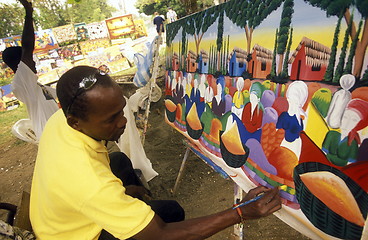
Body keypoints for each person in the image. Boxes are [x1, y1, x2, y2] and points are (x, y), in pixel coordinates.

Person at [30, 65, 282, 240]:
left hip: (59, 221)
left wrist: (123, 192)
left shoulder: (60, 121)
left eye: (122, 110)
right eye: (111, 119)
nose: (123, 122)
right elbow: (160, 234)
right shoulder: (90, 181)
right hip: (78, 236)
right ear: (75, 122)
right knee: (170, 213)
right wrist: (241, 213)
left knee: (118, 160)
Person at [1, 0, 59, 142]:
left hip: (59, 132)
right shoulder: (21, 82)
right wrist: (28, 12)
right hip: (51, 137)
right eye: (29, 59)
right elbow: (27, 46)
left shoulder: (36, 86)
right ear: (20, 63)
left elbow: (61, 94)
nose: (33, 61)